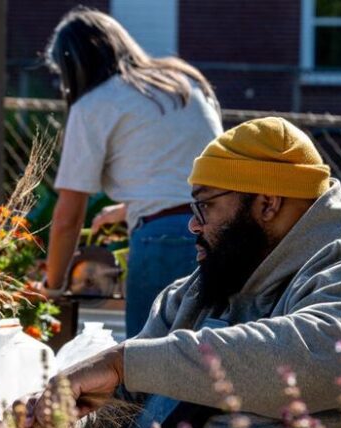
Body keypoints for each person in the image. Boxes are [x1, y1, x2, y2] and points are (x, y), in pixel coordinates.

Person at [25, 117, 341, 428]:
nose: (192, 225)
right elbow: (129, 405)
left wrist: (125, 362)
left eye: (205, 206)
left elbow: (305, 361)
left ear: (268, 204)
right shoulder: (209, 289)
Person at [41, 8, 223, 337]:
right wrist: (125, 210)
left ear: (75, 67)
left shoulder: (95, 103)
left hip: (163, 240)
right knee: (208, 361)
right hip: (226, 233)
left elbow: (69, 215)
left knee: (147, 367)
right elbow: (185, 175)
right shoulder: (185, 82)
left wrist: (51, 287)